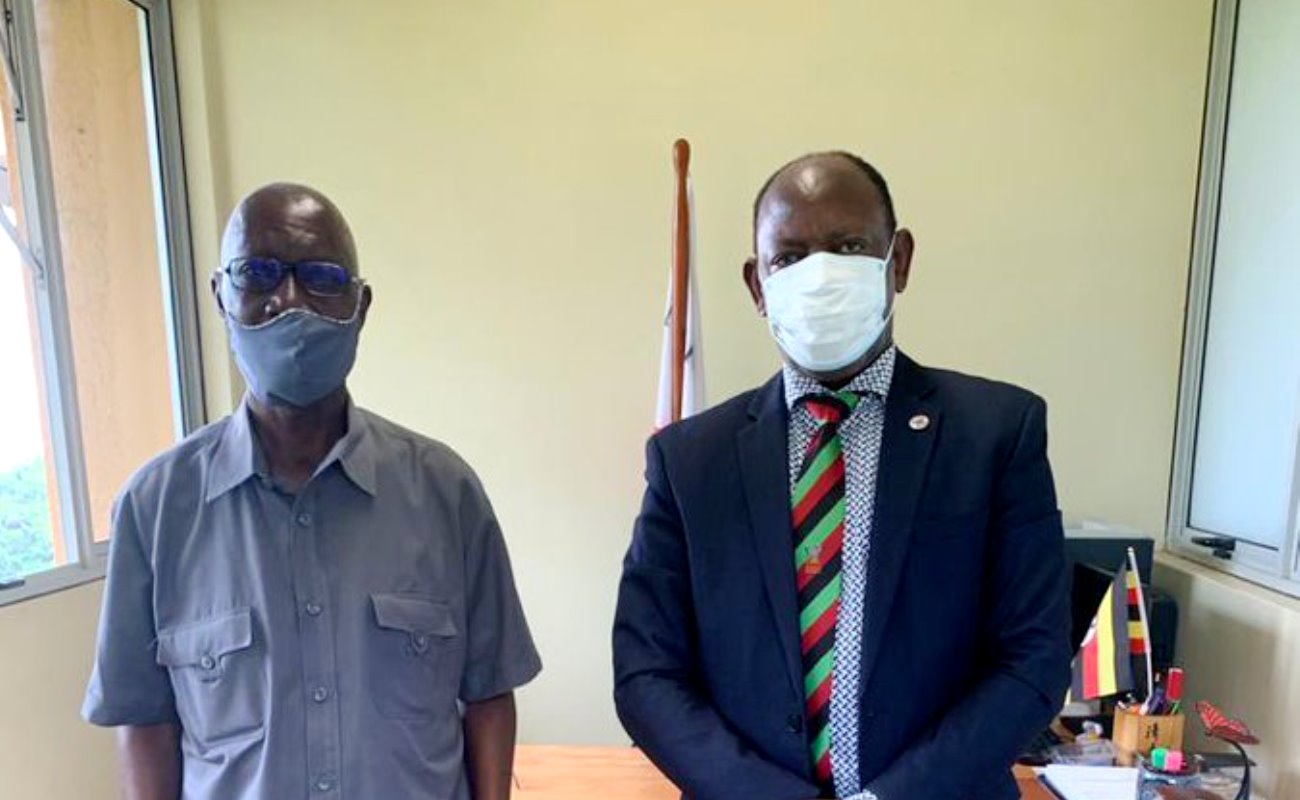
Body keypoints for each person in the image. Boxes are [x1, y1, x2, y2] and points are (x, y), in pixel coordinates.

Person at [613, 152, 1070, 800]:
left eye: (849, 245)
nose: (819, 274)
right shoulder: (691, 461)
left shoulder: (996, 434)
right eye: (789, 257)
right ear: (756, 285)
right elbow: (645, 673)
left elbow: (1033, 661)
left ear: (899, 261)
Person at [83, 183, 541, 800]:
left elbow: (489, 695)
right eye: (259, 273)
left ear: (361, 304)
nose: (289, 302)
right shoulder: (156, 509)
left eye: (322, 277)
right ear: (221, 294)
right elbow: (145, 722)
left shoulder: (446, 494)